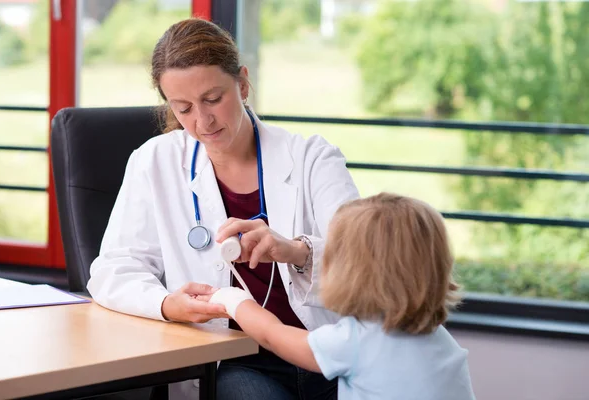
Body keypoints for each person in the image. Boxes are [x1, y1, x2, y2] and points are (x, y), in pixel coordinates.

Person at [86, 17, 360, 400]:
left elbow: (367, 261)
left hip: (328, 351)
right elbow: (112, 270)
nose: (202, 121)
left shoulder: (313, 158)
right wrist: (167, 304)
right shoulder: (155, 162)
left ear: (243, 83)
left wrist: (298, 250)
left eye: (213, 99)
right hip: (238, 360)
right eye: (183, 108)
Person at [210, 193, 476, 400]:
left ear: (354, 271)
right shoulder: (439, 338)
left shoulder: (357, 341)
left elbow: (273, 335)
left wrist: (232, 300)